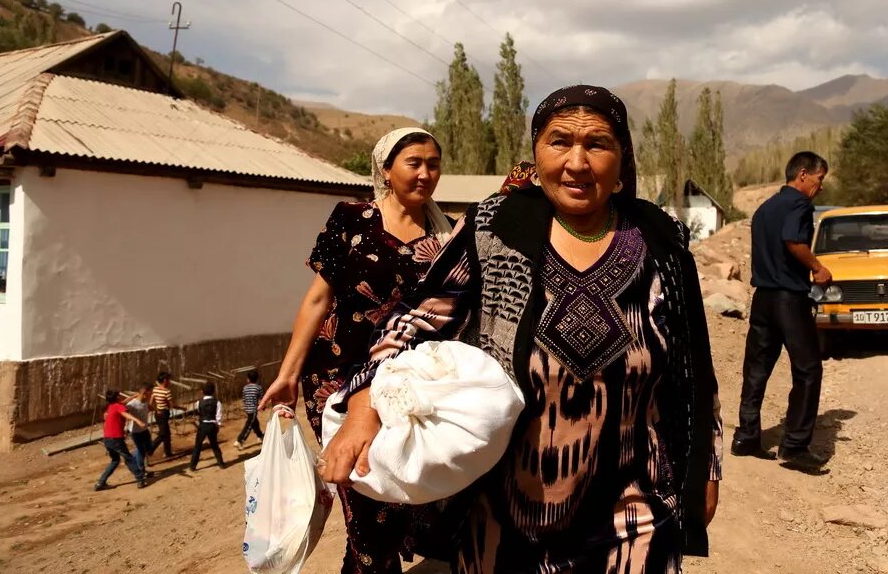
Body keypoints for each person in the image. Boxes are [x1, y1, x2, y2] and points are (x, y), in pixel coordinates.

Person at [323, 85, 723, 573]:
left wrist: (704, 466)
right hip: (505, 514)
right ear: (536, 152)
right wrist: (364, 406)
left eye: (597, 145)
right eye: (560, 142)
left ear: (623, 161)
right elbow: (414, 318)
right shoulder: (496, 228)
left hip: (633, 511)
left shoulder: (658, 238)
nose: (577, 162)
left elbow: (693, 366)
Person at [260, 127, 452, 573]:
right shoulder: (351, 218)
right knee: (365, 498)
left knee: (395, 493)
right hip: (336, 377)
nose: (425, 173)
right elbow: (317, 299)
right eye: (414, 163)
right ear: (386, 170)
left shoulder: (445, 236)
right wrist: (288, 374)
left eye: (434, 163)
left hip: (404, 380)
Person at [732, 151, 832, 469]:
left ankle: (746, 438)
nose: (821, 186)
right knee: (808, 370)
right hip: (789, 298)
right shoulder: (799, 204)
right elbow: (793, 240)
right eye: (820, 179)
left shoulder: (764, 210)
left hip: (762, 299)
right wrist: (818, 267)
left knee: (756, 370)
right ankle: (795, 446)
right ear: (803, 174)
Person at [95, 390, 148, 491]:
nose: (121, 397)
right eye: (119, 396)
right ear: (117, 397)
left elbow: (124, 402)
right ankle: (140, 479)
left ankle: (100, 482)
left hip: (107, 439)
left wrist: (133, 397)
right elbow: (125, 414)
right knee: (129, 458)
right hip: (115, 439)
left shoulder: (111, 406)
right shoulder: (118, 407)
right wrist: (137, 420)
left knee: (115, 460)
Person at [189, 382, 225, 471]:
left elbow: (199, 412)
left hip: (203, 425)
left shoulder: (198, 402)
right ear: (213, 391)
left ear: (202, 391)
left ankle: (192, 466)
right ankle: (221, 464)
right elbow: (218, 416)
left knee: (198, 446)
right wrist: (218, 426)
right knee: (214, 444)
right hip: (212, 425)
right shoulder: (217, 402)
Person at [125, 383, 154, 477]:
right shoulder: (131, 404)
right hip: (135, 432)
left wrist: (154, 408)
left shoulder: (145, 401)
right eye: (150, 392)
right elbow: (122, 412)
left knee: (149, 448)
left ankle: (132, 458)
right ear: (145, 392)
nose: (152, 394)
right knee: (141, 452)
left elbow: (148, 408)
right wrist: (124, 428)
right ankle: (142, 470)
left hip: (144, 430)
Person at [235, 370, 265, 450]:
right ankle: (240, 440)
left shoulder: (245, 388)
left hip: (247, 408)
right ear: (257, 379)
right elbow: (262, 399)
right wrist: (263, 406)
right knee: (249, 425)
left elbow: (244, 398)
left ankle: (260, 436)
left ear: (248, 379)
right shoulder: (258, 387)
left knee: (254, 422)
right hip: (253, 409)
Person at [150, 372, 174, 459]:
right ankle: (150, 449)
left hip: (158, 414)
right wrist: (182, 408)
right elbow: (172, 405)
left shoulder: (155, 389)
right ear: (165, 380)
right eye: (168, 380)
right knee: (163, 434)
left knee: (167, 433)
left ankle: (168, 452)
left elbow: (151, 402)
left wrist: (156, 409)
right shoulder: (167, 392)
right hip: (164, 413)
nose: (169, 382)